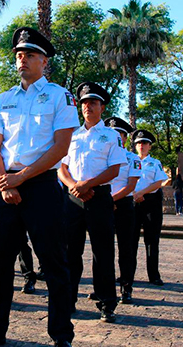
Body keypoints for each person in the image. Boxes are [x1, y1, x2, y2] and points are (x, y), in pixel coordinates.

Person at [0, 27, 78, 347]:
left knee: (54, 262)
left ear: (44, 61)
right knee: (0, 263)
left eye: (29, 54)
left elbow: (60, 148)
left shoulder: (59, 96)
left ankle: (61, 335)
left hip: (41, 185)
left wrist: (22, 178)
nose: (22, 59)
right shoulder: (2, 100)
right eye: (19, 55)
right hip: (4, 187)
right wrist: (4, 182)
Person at [58, 82, 124, 322]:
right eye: (84, 103)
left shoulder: (111, 135)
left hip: (99, 198)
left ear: (102, 107)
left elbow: (115, 169)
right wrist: (74, 186)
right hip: (73, 199)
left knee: (102, 251)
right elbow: (61, 168)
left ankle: (106, 302)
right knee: (69, 251)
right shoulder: (71, 134)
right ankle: (68, 298)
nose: (88, 106)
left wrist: (88, 185)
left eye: (93, 103)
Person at [105, 116, 141, 304]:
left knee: (126, 248)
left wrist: (110, 199)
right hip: (103, 205)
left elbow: (130, 186)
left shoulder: (133, 158)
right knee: (103, 249)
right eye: (112, 134)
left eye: (119, 134)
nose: (116, 137)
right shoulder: (101, 157)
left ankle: (126, 287)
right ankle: (104, 288)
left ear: (125, 138)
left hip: (124, 205)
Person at [132, 130, 169, 286]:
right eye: (139, 143)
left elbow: (157, 183)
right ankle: (127, 274)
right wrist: (134, 194)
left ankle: (153, 275)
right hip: (132, 203)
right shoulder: (128, 161)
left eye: (145, 143)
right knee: (130, 241)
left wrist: (141, 192)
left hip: (150, 203)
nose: (142, 146)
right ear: (134, 146)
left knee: (151, 240)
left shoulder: (155, 163)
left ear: (150, 146)